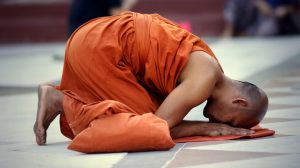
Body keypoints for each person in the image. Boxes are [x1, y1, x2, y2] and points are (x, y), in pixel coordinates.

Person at [34, 12, 268, 153]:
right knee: (138, 127)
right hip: (100, 48)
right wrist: (206, 128)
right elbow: (159, 124)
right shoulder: (203, 79)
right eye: (232, 122)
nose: (218, 121)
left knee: (142, 113)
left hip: (94, 35)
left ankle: (59, 99)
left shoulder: (209, 65)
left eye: (229, 126)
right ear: (239, 101)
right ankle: (60, 100)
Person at [223, 0, 300, 37]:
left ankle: (245, 35)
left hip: (278, 18)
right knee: (235, 2)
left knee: (269, 27)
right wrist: (258, 2)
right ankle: (230, 29)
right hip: (258, 13)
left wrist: (286, 9)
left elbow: (296, 7)